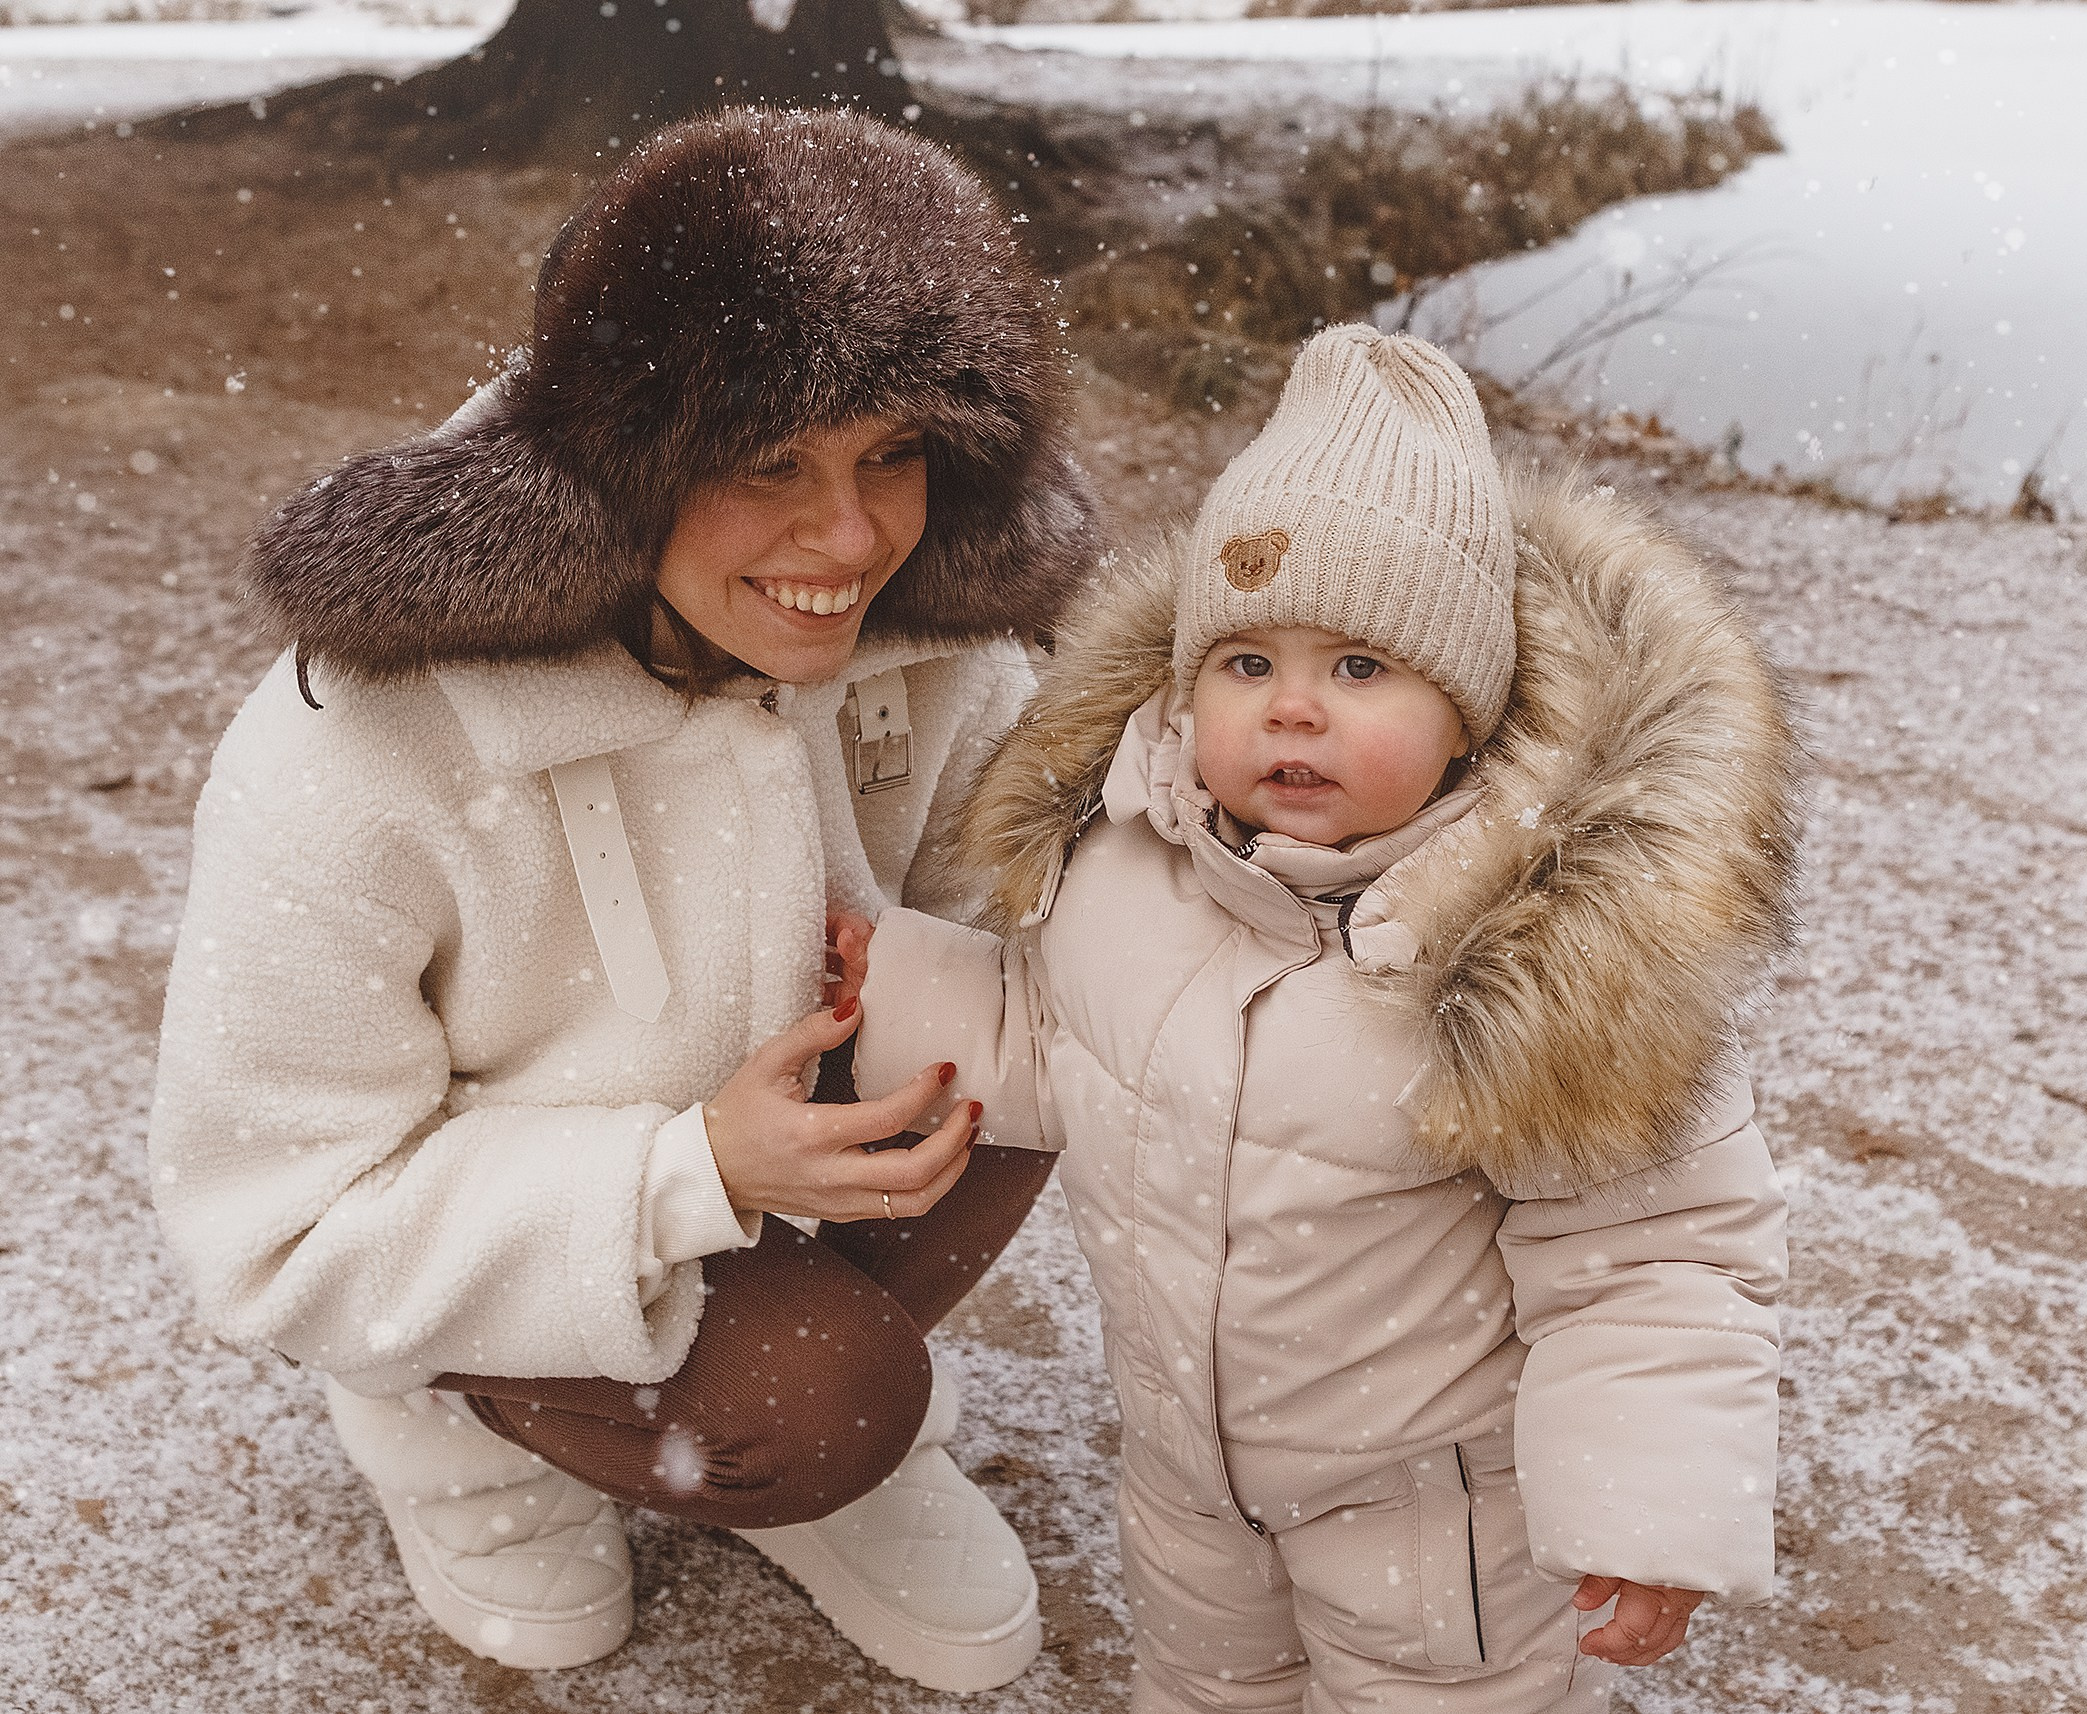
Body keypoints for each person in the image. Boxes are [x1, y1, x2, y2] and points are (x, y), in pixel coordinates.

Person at [146, 107, 1100, 1688]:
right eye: (763, 461)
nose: (849, 540)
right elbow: (278, 1223)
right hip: (480, 1222)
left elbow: (1048, 938)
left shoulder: (947, 650)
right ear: (622, 462)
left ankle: (773, 1435)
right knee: (825, 1398)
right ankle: (453, 1422)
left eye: (892, 456)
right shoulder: (361, 742)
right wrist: (693, 1171)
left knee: (1038, 1049)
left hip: (755, 1175)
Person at [846, 326, 1804, 1709]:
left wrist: (1646, 1503)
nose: (1293, 705)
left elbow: (1654, 1255)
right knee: (1204, 1687)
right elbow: (1056, 1038)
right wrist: (881, 985)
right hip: (1187, 1490)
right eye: (1245, 662)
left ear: (1466, 713)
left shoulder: (1541, 961)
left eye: (1361, 668)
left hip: (1441, 1529)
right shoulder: (1130, 865)